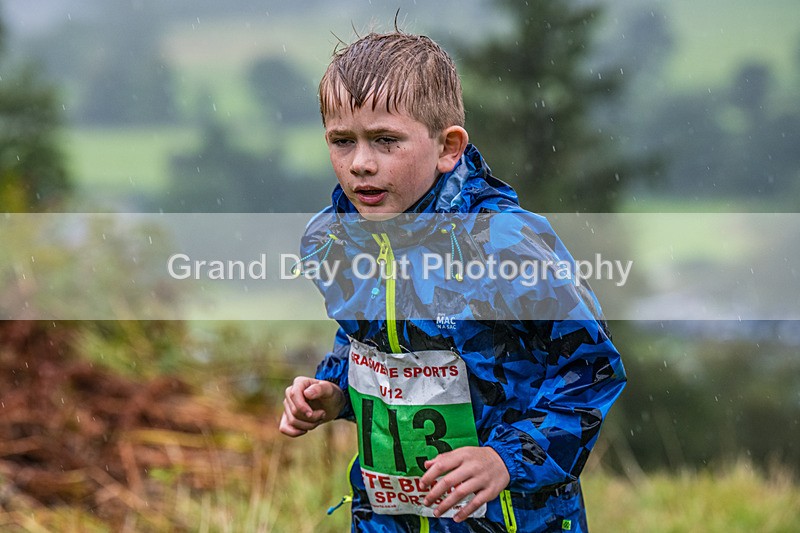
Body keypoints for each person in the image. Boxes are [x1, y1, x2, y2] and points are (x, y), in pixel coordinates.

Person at [280, 31, 626, 533]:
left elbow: (592, 369)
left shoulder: (504, 243)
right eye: (342, 141)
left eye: (385, 140)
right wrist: (334, 390)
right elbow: (368, 345)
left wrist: (504, 460)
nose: (360, 163)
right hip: (386, 518)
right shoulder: (331, 242)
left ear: (448, 147)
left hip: (512, 521)